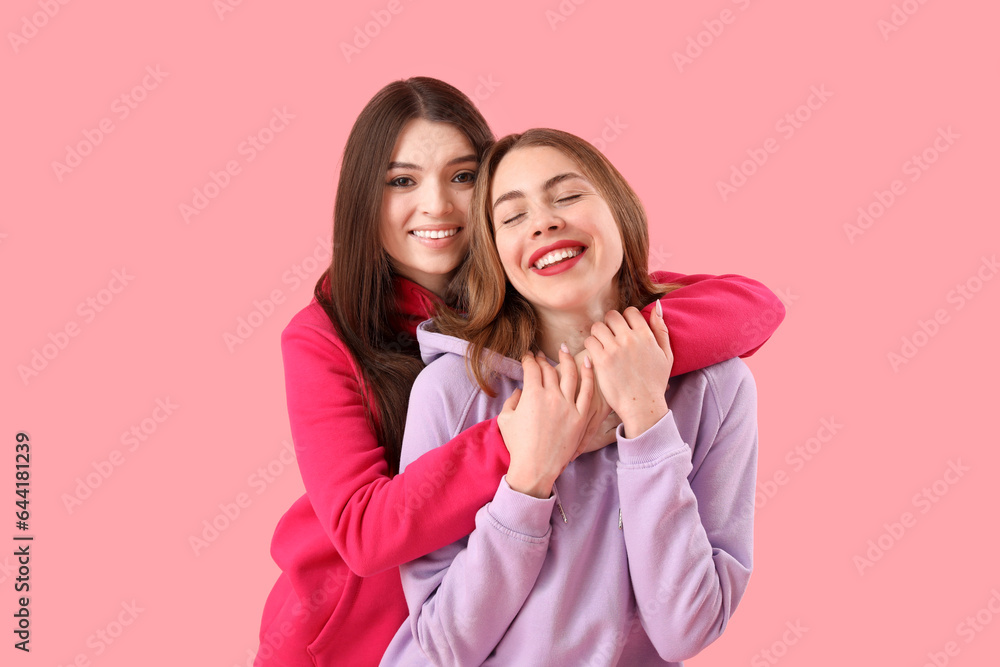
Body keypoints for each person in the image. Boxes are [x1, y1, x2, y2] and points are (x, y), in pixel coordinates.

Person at [254, 79, 783, 666]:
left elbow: (750, 304)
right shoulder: (343, 342)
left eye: (463, 177)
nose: (437, 205)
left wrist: (617, 371)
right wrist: (528, 442)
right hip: (346, 635)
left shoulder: (549, 286)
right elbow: (363, 532)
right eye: (402, 180)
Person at [381, 128, 761, 666]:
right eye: (513, 217)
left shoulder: (717, 388)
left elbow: (686, 628)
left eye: (567, 196)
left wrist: (647, 423)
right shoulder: (453, 392)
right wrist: (529, 480)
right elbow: (444, 646)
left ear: (620, 210)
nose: (543, 221)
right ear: (497, 256)